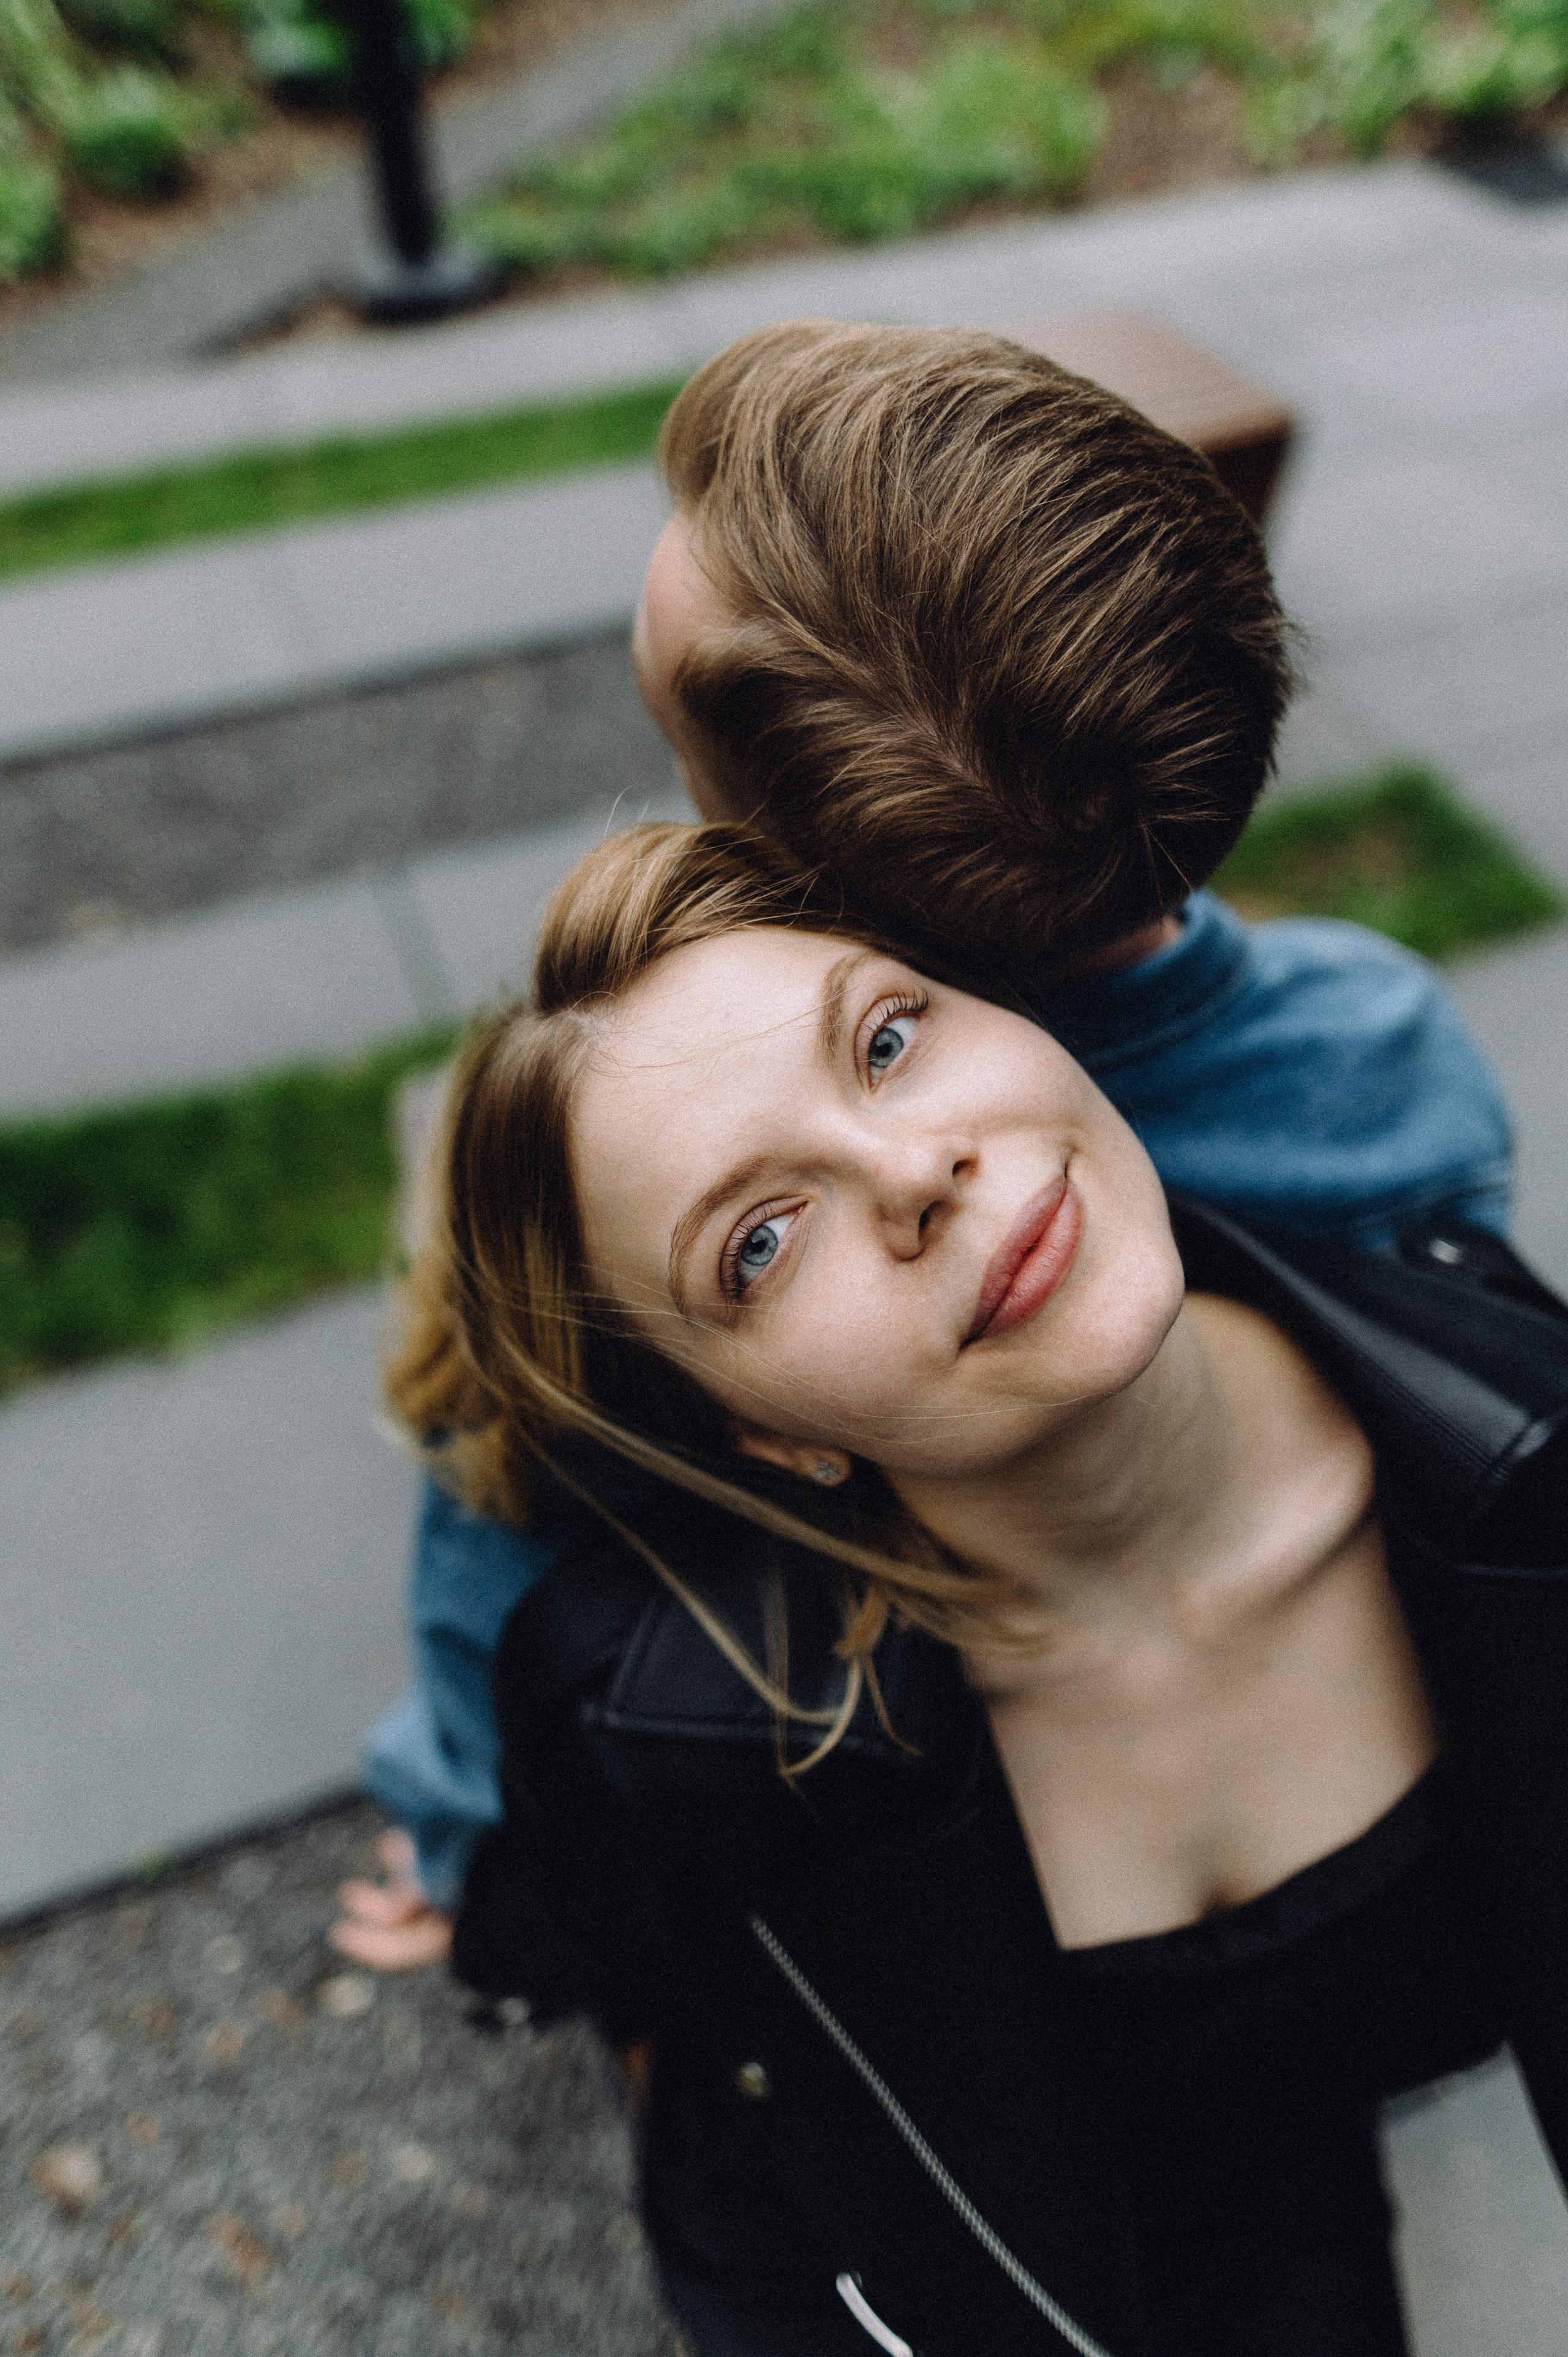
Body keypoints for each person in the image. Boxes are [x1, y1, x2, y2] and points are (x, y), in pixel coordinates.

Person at [333, 320, 1512, 1971]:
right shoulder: (1381, 1059)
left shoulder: (647, 1178)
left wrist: (454, 1816)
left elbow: (494, 1519)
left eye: (662, 723)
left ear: (786, 855)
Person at [390, 821, 1567, 2357]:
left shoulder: (1519, 1480)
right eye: (759, 1239)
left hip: (1298, 2185)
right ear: (757, 1430)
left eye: (885, 1036)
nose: (912, 1170)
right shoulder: (659, 1721)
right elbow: (620, 1983)